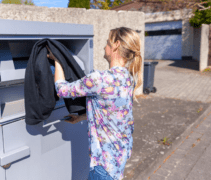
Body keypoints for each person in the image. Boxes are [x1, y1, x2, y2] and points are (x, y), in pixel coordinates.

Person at [47, 27, 142, 180]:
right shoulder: (128, 77)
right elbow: (111, 111)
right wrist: (82, 117)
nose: (104, 47)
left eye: (107, 43)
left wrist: (57, 60)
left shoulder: (99, 79)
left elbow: (62, 89)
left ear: (116, 45)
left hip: (103, 166)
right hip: (119, 158)